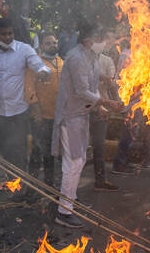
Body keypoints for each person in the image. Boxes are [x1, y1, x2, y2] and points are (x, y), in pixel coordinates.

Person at [51, 22, 123, 228]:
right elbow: (83, 91)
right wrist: (107, 103)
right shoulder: (76, 58)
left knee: (80, 160)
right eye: (99, 39)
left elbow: (92, 87)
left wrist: (99, 106)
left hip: (81, 116)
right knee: (73, 162)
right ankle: (63, 212)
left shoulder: (91, 58)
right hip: (71, 118)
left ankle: (70, 198)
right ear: (87, 41)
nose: (103, 43)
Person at [0, 18, 50, 191]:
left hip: (19, 109)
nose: (8, 37)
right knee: (5, 148)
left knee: (20, 147)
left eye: (10, 33)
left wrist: (43, 73)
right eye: (4, 34)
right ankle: (9, 181)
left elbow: (39, 65)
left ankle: (20, 185)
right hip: (0, 110)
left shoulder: (24, 50)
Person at [26, 32, 61, 186]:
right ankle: (32, 188)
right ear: (41, 46)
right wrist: (37, 112)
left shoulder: (61, 62)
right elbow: (29, 90)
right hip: (41, 116)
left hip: (57, 116)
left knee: (51, 153)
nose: (52, 45)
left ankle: (49, 184)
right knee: (38, 152)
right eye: (48, 43)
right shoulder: (35, 63)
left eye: (54, 42)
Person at [91, 32, 121, 191]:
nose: (99, 43)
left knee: (99, 145)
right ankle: (68, 185)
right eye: (96, 39)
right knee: (77, 149)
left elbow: (110, 81)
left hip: (100, 110)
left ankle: (100, 180)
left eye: (100, 40)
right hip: (82, 109)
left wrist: (98, 76)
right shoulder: (81, 59)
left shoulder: (107, 61)